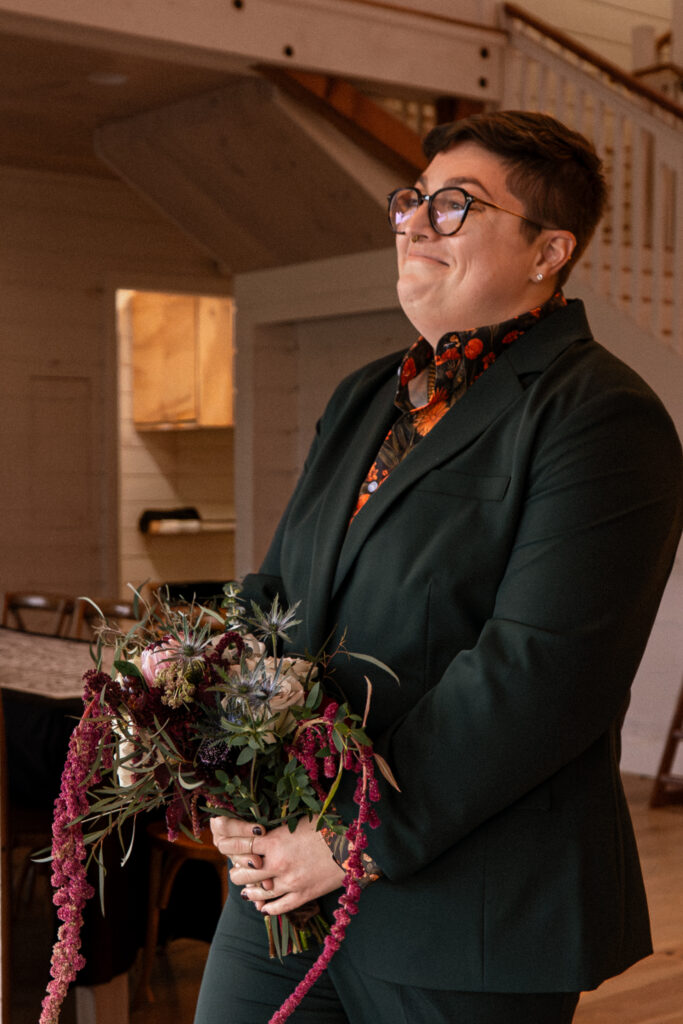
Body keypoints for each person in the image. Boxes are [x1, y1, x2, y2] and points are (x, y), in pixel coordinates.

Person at [194, 110, 683, 1024]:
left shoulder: (602, 418)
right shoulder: (363, 395)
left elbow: (541, 674)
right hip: (282, 893)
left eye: (454, 206)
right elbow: (275, 601)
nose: (414, 222)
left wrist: (350, 835)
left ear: (549, 251)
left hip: (469, 905)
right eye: (413, 199)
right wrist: (237, 780)